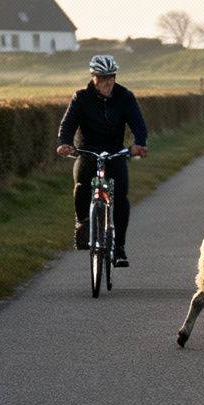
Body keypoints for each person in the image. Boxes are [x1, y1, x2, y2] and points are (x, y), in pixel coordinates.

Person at [56, 54, 149, 266]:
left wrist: (140, 144)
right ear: (93, 78)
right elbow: (67, 125)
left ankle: (119, 248)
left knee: (122, 198)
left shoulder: (125, 97)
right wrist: (64, 143)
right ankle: (82, 223)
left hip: (115, 151)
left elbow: (138, 125)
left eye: (111, 77)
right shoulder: (81, 98)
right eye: (102, 78)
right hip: (88, 150)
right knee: (81, 184)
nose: (107, 82)